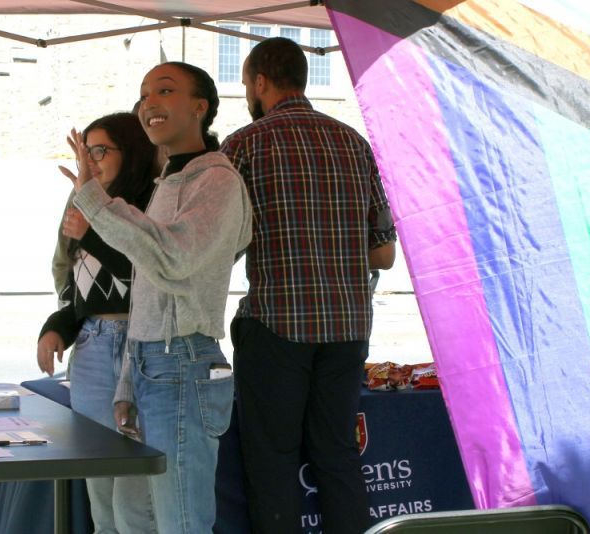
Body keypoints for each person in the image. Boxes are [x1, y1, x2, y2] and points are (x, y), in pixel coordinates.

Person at [220, 37, 397, 534]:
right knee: (338, 456)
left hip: (276, 326)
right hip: (347, 328)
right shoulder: (354, 143)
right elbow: (383, 251)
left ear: (259, 82)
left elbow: (221, 246)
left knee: (272, 461)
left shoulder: (245, 144)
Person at [65, 62, 252, 533]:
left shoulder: (217, 181)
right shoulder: (170, 181)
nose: (150, 103)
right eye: (144, 94)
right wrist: (130, 377)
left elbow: (172, 259)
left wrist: (95, 202)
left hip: (184, 360)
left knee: (180, 520)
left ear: (200, 107)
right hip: (155, 360)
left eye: (165, 91)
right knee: (146, 516)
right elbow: (149, 289)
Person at [37, 112, 159, 533]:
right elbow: (75, 286)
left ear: (132, 151)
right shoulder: (79, 205)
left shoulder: (147, 203)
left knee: (133, 501)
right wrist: (56, 328)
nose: (90, 162)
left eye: (101, 151)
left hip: (138, 346)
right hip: (91, 347)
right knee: (100, 500)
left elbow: (149, 274)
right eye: (86, 153)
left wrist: (91, 231)